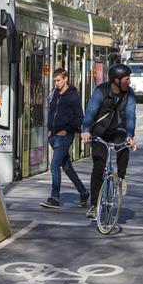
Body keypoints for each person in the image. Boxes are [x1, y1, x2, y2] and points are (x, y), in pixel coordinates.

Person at [81, 63, 137, 219]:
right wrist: (86, 130)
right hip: (100, 132)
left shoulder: (130, 95)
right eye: (127, 79)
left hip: (118, 131)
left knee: (124, 146)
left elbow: (131, 116)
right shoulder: (101, 91)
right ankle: (94, 205)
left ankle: (121, 178)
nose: (129, 82)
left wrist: (130, 136)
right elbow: (91, 111)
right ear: (117, 80)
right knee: (98, 167)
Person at [41, 69, 89, 210]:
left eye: (58, 80)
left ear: (66, 79)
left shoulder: (73, 96)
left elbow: (79, 117)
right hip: (53, 136)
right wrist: (50, 130)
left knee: (54, 166)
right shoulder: (55, 93)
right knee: (67, 167)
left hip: (65, 136)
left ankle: (55, 198)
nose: (56, 83)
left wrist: (66, 130)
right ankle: (84, 192)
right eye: (55, 80)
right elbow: (52, 113)